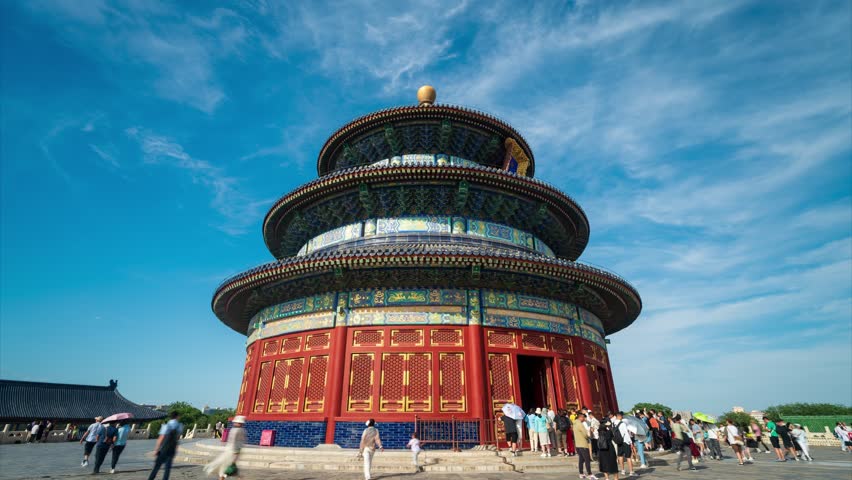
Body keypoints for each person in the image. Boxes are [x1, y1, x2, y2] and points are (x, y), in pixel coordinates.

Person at [204, 415, 246, 479]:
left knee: (225, 468)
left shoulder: (237, 430)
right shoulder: (240, 430)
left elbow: (236, 442)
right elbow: (238, 442)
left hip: (232, 451)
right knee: (225, 468)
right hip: (232, 450)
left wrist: (235, 453)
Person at [148, 411, 183, 480]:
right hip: (171, 450)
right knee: (167, 469)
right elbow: (177, 439)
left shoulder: (166, 425)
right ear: (177, 416)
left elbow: (161, 438)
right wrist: (175, 450)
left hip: (163, 450)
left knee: (156, 467)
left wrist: (156, 449)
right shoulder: (180, 426)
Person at [573, 412, 596, 479]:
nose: (584, 419)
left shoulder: (575, 424)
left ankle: (581, 473)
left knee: (581, 459)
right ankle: (590, 474)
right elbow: (585, 435)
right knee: (587, 459)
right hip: (583, 444)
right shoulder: (580, 424)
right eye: (583, 417)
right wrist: (590, 432)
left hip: (578, 444)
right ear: (580, 417)